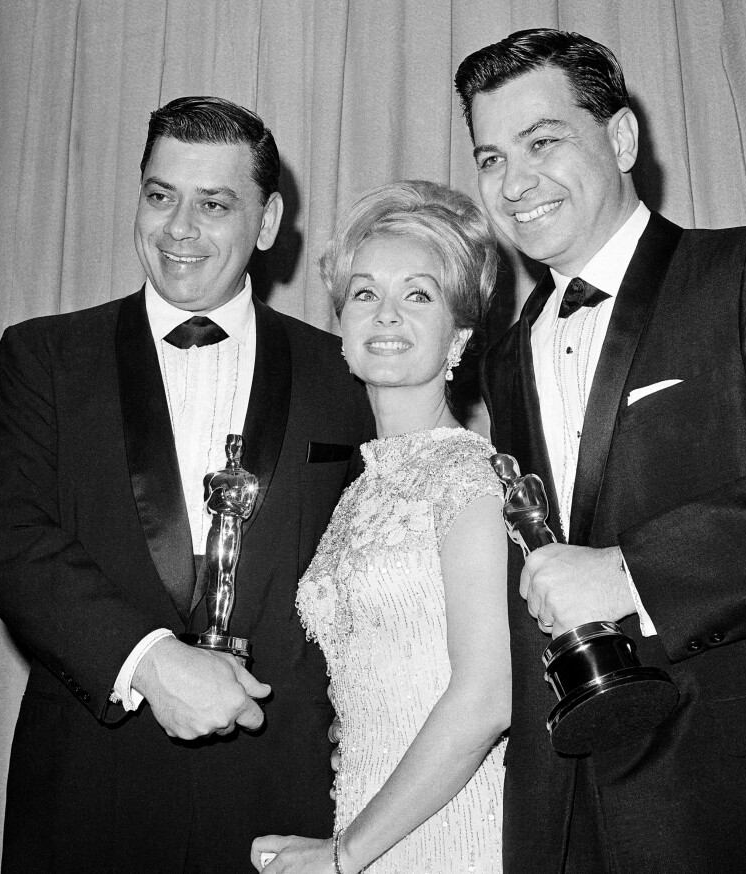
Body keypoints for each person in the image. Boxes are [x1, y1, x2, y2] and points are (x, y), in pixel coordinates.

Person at [454, 28, 746, 874]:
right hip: (572, 811)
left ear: (623, 137)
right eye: (490, 158)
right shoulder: (502, 355)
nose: (514, 182)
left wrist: (630, 574)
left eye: (542, 142)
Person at [0, 96, 373, 873]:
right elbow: (8, 537)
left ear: (266, 222)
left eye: (214, 204)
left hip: (287, 805)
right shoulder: (43, 357)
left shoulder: (347, 374)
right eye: (161, 196)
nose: (179, 230)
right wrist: (149, 659)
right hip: (88, 796)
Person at [250, 180, 510, 873]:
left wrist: (344, 855)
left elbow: (487, 697)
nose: (385, 314)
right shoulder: (358, 489)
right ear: (341, 327)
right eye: (364, 294)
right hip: (368, 815)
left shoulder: (469, 477)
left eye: (417, 294)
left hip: (452, 831)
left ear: (459, 335)